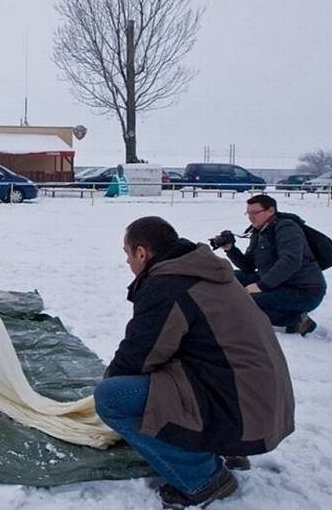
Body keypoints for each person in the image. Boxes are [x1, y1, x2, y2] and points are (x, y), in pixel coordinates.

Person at [94, 216, 294, 509]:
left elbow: (140, 354)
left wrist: (108, 381)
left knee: (112, 398)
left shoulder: (169, 285)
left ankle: (203, 479)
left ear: (141, 253)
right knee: (164, 370)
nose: (127, 262)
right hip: (260, 404)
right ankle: (222, 446)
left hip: (242, 408)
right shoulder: (199, 270)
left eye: (127, 253)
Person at [217, 194, 326, 335]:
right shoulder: (259, 231)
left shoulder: (287, 227)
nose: (251, 217)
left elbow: (291, 261)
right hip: (278, 283)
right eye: (248, 213)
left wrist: (261, 286)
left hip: (304, 291)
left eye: (255, 212)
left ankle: (298, 320)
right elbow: (248, 266)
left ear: (270, 211)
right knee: (229, 277)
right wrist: (230, 249)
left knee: (245, 300)